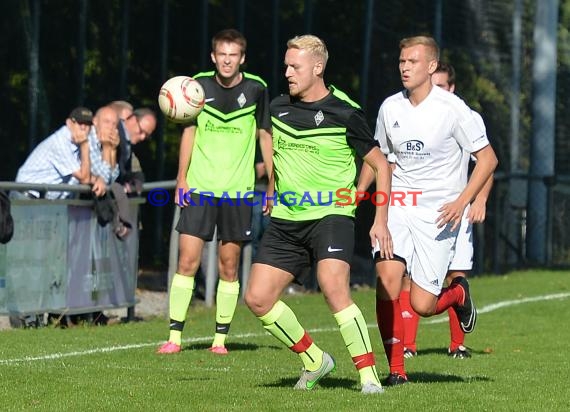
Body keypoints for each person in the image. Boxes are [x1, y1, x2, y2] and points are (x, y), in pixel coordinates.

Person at [244, 34, 392, 394]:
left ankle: (369, 376)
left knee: (333, 285)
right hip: (285, 219)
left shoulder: (345, 111)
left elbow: (380, 164)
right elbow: (277, 153)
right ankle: (315, 360)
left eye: (295, 66)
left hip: (331, 215)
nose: (288, 72)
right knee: (257, 298)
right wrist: (272, 187)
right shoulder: (278, 108)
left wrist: (379, 217)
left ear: (317, 67)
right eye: (286, 65)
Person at [358, 36, 497, 385]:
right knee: (388, 280)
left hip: (439, 215)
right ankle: (396, 371)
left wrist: (464, 200)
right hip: (399, 206)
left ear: (431, 66)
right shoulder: (390, 107)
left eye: (413, 62)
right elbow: (380, 161)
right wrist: (359, 193)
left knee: (422, 304)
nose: (405, 67)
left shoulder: (453, 109)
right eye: (402, 61)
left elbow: (488, 159)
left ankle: (458, 294)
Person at [157, 29, 272, 355]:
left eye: (233, 54)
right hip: (201, 188)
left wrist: (273, 183)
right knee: (187, 261)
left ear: (242, 58)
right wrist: (182, 177)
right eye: (222, 54)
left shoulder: (257, 89)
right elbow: (189, 133)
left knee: (229, 266)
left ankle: (219, 339)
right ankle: (174, 337)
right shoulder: (197, 85)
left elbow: (266, 136)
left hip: (237, 191)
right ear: (213, 56)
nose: (226, 60)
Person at [400, 62, 495, 360]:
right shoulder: (409, 115)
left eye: (441, 87)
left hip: (455, 210)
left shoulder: (464, 116)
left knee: (456, 274)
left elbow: (486, 162)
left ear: (451, 88)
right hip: (417, 209)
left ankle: (457, 345)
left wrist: (478, 200)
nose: (435, 93)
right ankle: (408, 345)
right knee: (410, 275)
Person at [15, 107, 105, 199]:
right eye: (79, 123)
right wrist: (85, 145)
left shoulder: (76, 144)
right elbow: (84, 178)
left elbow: (84, 173)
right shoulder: (61, 142)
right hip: (26, 196)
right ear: (69, 123)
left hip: (42, 199)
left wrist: (98, 179)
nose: (83, 127)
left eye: (87, 124)